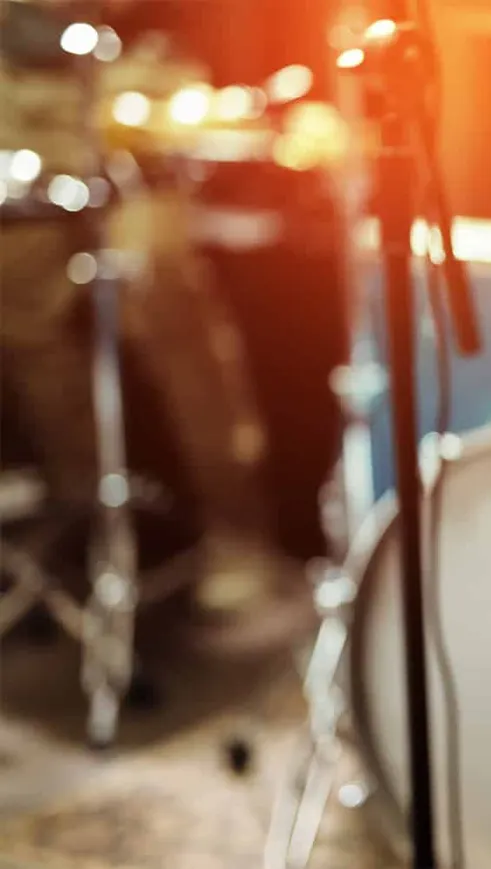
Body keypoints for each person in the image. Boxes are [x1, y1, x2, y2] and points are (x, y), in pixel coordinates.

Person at [0, 1, 300, 627]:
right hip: (13, 88)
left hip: (129, 73)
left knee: (155, 280)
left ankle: (238, 529)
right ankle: (88, 527)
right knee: (21, 306)